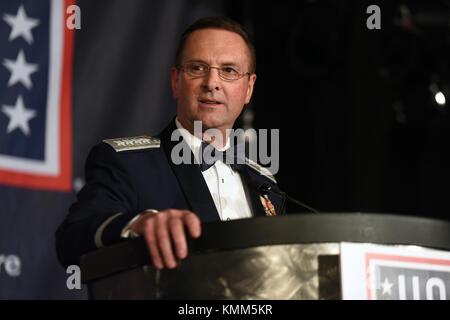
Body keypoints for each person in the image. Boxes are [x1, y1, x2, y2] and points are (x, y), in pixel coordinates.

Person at [55, 17, 283, 270]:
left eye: (229, 71)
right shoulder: (127, 162)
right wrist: (139, 224)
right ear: (176, 81)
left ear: (249, 88)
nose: (212, 83)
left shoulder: (264, 182)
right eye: (197, 68)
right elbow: (71, 240)